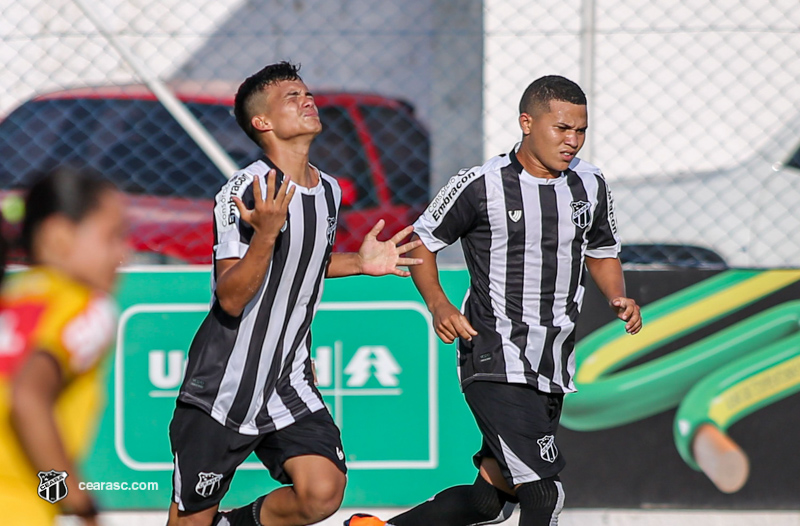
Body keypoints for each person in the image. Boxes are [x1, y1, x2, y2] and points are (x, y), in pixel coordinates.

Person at [346, 76, 643, 526]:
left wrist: (618, 295)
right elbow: (422, 244)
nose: (572, 140)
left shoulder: (591, 183)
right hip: (496, 354)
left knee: (492, 500)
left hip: (552, 359)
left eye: (580, 130)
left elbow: (601, 251)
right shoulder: (481, 184)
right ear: (527, 122)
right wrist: (440, 305)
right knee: (544, 493)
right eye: (561, 128)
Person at [167, 61, 422, 526]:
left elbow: (303, 263)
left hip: (286, 381)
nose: (307, 100)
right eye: (292, 97)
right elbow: (230, 296)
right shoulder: (243, 193)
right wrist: (264, 234)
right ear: (262, 123)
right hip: (225, 384)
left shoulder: (327, 189)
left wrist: (361, 264)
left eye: (306, 93)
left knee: (322, 491)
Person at [0, 168, 128, 525]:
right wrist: (75, 500)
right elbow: (28, 399)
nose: (124, 254)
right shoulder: (87, 307)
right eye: (112, 237)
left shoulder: (12, 296)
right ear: (58, 236)